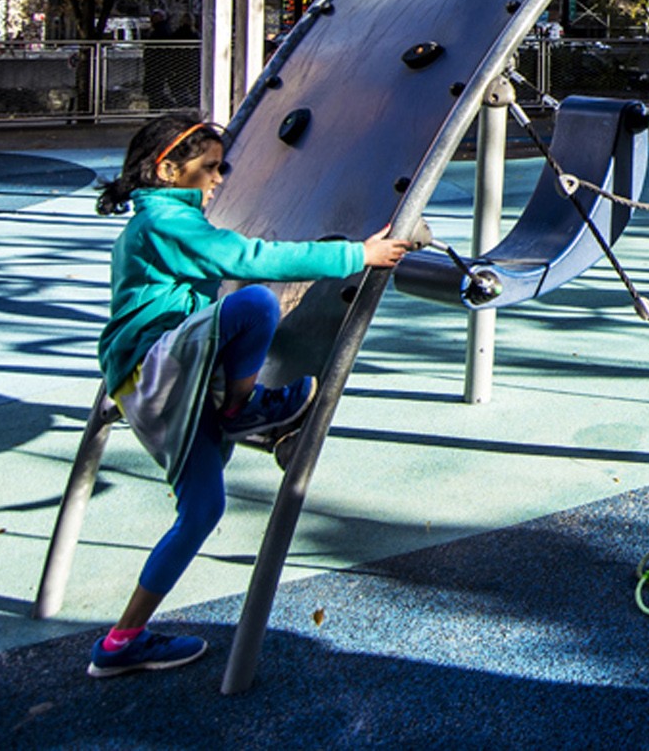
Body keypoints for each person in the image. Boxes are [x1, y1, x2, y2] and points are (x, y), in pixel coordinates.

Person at [86, 113, 414, 678]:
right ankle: (242, 408)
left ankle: (120, 642)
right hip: (153, 366)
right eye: (210, 168)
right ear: (167, 170)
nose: (218, 180)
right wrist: (355, 256)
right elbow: (246, 260)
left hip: (153, 388)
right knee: (255, 301)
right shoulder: (164, 220)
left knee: (202, 511)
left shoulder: (162, 221)